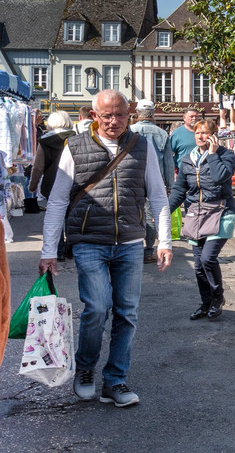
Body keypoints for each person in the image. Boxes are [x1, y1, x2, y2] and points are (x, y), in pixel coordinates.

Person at [39, 90, 173, 408]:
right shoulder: (76, 146)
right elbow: (57, 200)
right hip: (89, 242)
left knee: (127, 314)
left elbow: (157, 194)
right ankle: (85, 369)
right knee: (97, 309)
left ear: (131, 115)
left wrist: (164, 241)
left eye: (120, 115)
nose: (114, 121)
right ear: (95, 115)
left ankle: (115, 380)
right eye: (107, 115)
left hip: (128, 242)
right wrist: (48, 250)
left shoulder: (142, 146)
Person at [169, 118, 235, 320]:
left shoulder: (226, 155)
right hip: (195, 215)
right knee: (198, 265)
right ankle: (205, 302)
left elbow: (220, 177)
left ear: (214, 135)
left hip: (220, 211)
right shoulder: (188, 159)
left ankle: (218, 298)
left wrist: (214, 154)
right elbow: (181, 189)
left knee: (208, 258)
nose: (201, 136)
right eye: (198, 132)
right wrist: (165, 211)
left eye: (206, 133)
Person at [130, 100, 173, 263]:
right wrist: (169, 185)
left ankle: (131, 248)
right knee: (150, 216)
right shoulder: (162, 133)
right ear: (153, 114)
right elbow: (169, 162)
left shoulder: (129, 131)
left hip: (132, 178)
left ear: (137, 113)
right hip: (155, 179)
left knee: (132, 214)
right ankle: (148, 251)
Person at [166, 107, 201, 175]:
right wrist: (173, 173)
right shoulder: (177, 134)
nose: (194, 118)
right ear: (184, 118)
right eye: (191, 116)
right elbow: (169, 154)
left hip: (201, 171)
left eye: (196, 116)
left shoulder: (202, 132)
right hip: (183, 172)